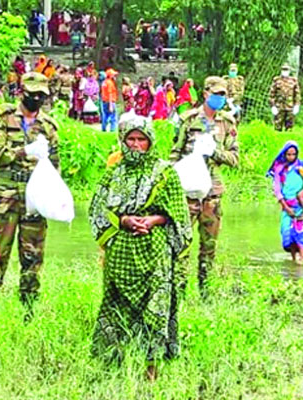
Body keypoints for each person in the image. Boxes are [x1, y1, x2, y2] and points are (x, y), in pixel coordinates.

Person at [89, 115, 191, 379]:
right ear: (122, 141)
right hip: (121, 251)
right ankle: (113, 364)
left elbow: (179, 214)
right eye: (130, 139)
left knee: (156, 307)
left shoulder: (165, 172)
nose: (135, 145)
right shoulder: (114, 173)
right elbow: (98, 210)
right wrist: (124, 220)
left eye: (141, 139)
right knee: (115, 306)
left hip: (155, 249)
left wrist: (154, 219)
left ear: (150, 141)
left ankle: (151, 366)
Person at [0, 72, 60, 319]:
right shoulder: (3, 118)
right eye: (32, 94)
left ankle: (28, 311)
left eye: (41, 95)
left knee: (33, 255)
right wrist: (25, 151)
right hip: (6, 198)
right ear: (22, 92)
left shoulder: (49, 127)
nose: (36, 99)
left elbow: (55, 166)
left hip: (35, 201)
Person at [170, 76, 239, 298]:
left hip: (212, 194)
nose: (220, 98)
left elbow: (235, 159)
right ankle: (178, 294)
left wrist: (214, 152)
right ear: (206, 93)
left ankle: (206, 294)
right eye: (216, 94)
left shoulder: (227, 123)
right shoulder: (189, 120)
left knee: (209, 247)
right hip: (188, 192)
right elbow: (175, 153)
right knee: (180, 244)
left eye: (223, 95)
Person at [267, 142, 303, 264]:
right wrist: (285, 207)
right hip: (287, 204)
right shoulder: (279, 169)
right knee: (287, 231)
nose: (291, 157)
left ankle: (301, 260)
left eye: (294, 154)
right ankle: (293, 259)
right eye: (289, 154)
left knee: (301, 232)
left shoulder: (302, 166)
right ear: (284, 154)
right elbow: (277, 189)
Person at [269, 64, 301, 131]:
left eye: (286, 70)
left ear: (289, 71)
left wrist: (297, 105)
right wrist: (272, 105)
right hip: (279, 107)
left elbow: (297, 94)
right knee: (277, 127)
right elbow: (272, 94)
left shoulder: (293, 81)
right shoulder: (276, 80)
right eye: (284, 70)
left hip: (290, 106)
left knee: (289, 127)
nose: (285, 71)